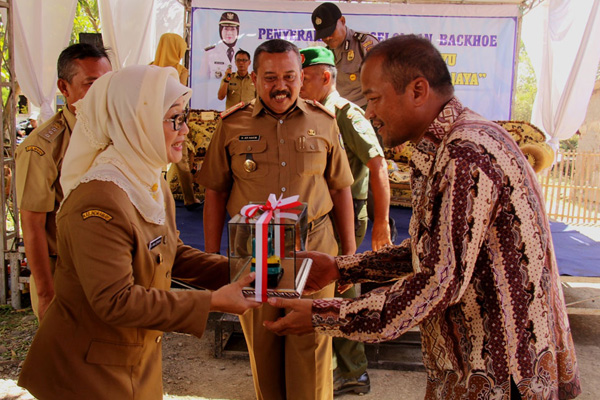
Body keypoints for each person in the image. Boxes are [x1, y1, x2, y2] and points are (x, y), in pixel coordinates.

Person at [264, 35, 582, 400]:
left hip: (501, 373)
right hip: (476, 364)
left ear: (417, 90)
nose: (369, 112)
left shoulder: (465, 155)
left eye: (374, 98)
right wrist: (341, 268)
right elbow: (435, 254)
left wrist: (325, 315)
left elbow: (438, 282)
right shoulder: (448, 145)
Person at [17, 65, 260, 400]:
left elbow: (172, 254)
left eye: (184, 117)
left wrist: (247, 269)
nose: (186, 130)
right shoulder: (98, 199)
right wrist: (213, 301)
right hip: (86, 373)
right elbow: (115, 301)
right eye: (174, 118)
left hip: (129, 360)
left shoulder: (148, 179)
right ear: (136, 121)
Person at [198, 39, 355, 400]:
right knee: (263, 347)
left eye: (288, 76)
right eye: (270, 77)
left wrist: (347, 259)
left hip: (313, 250)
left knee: (311, 352)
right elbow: (214, 192)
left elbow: (341, 189)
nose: (280, 85)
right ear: (253, 77)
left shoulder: (324, 122)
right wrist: (212, 262)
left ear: (302, 76)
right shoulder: (231, 125)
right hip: (253, 254)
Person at [299, 46, 392, 396]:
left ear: (325, 77)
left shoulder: (346, 114)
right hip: (322, 210)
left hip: (347, 211)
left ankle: (355, 372)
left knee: (343, 285)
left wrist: (381, 222)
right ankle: (334, 363)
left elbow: (377, 164)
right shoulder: (312, 112)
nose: (299, 86)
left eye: (304, 79)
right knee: (322, 281)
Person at [16, 43, 112, 321]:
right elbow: (32, 224)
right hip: (65, 271)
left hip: (106, 266)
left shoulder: (113, 132)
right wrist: (46, 294)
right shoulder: (44, 147)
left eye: (107, 83)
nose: (101, 92)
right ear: (64, 87)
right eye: (91, 84)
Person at [150, 32, 201, 211]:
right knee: (155, 161)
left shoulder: (163, 70)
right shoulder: (155, 71)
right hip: (160, 122)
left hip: (167, 121)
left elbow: (180, 100)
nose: (182, 52)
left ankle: (188, 198)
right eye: (180, 48)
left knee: (181, 159)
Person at [311, 2, 378, 109]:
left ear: (342, 21)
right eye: (323, 35)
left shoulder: (363, 44)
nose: (327, 38)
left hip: (365, 110)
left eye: (331, 31)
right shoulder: (326, 53)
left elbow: (381, 83)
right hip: (339, 110)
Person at [199, 11, 241, 81]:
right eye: (226, 29)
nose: (229, 33)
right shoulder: (209, 53)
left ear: (237, 31)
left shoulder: (243, 55)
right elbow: (202, 82)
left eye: (233, 29)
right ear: (220, 30)